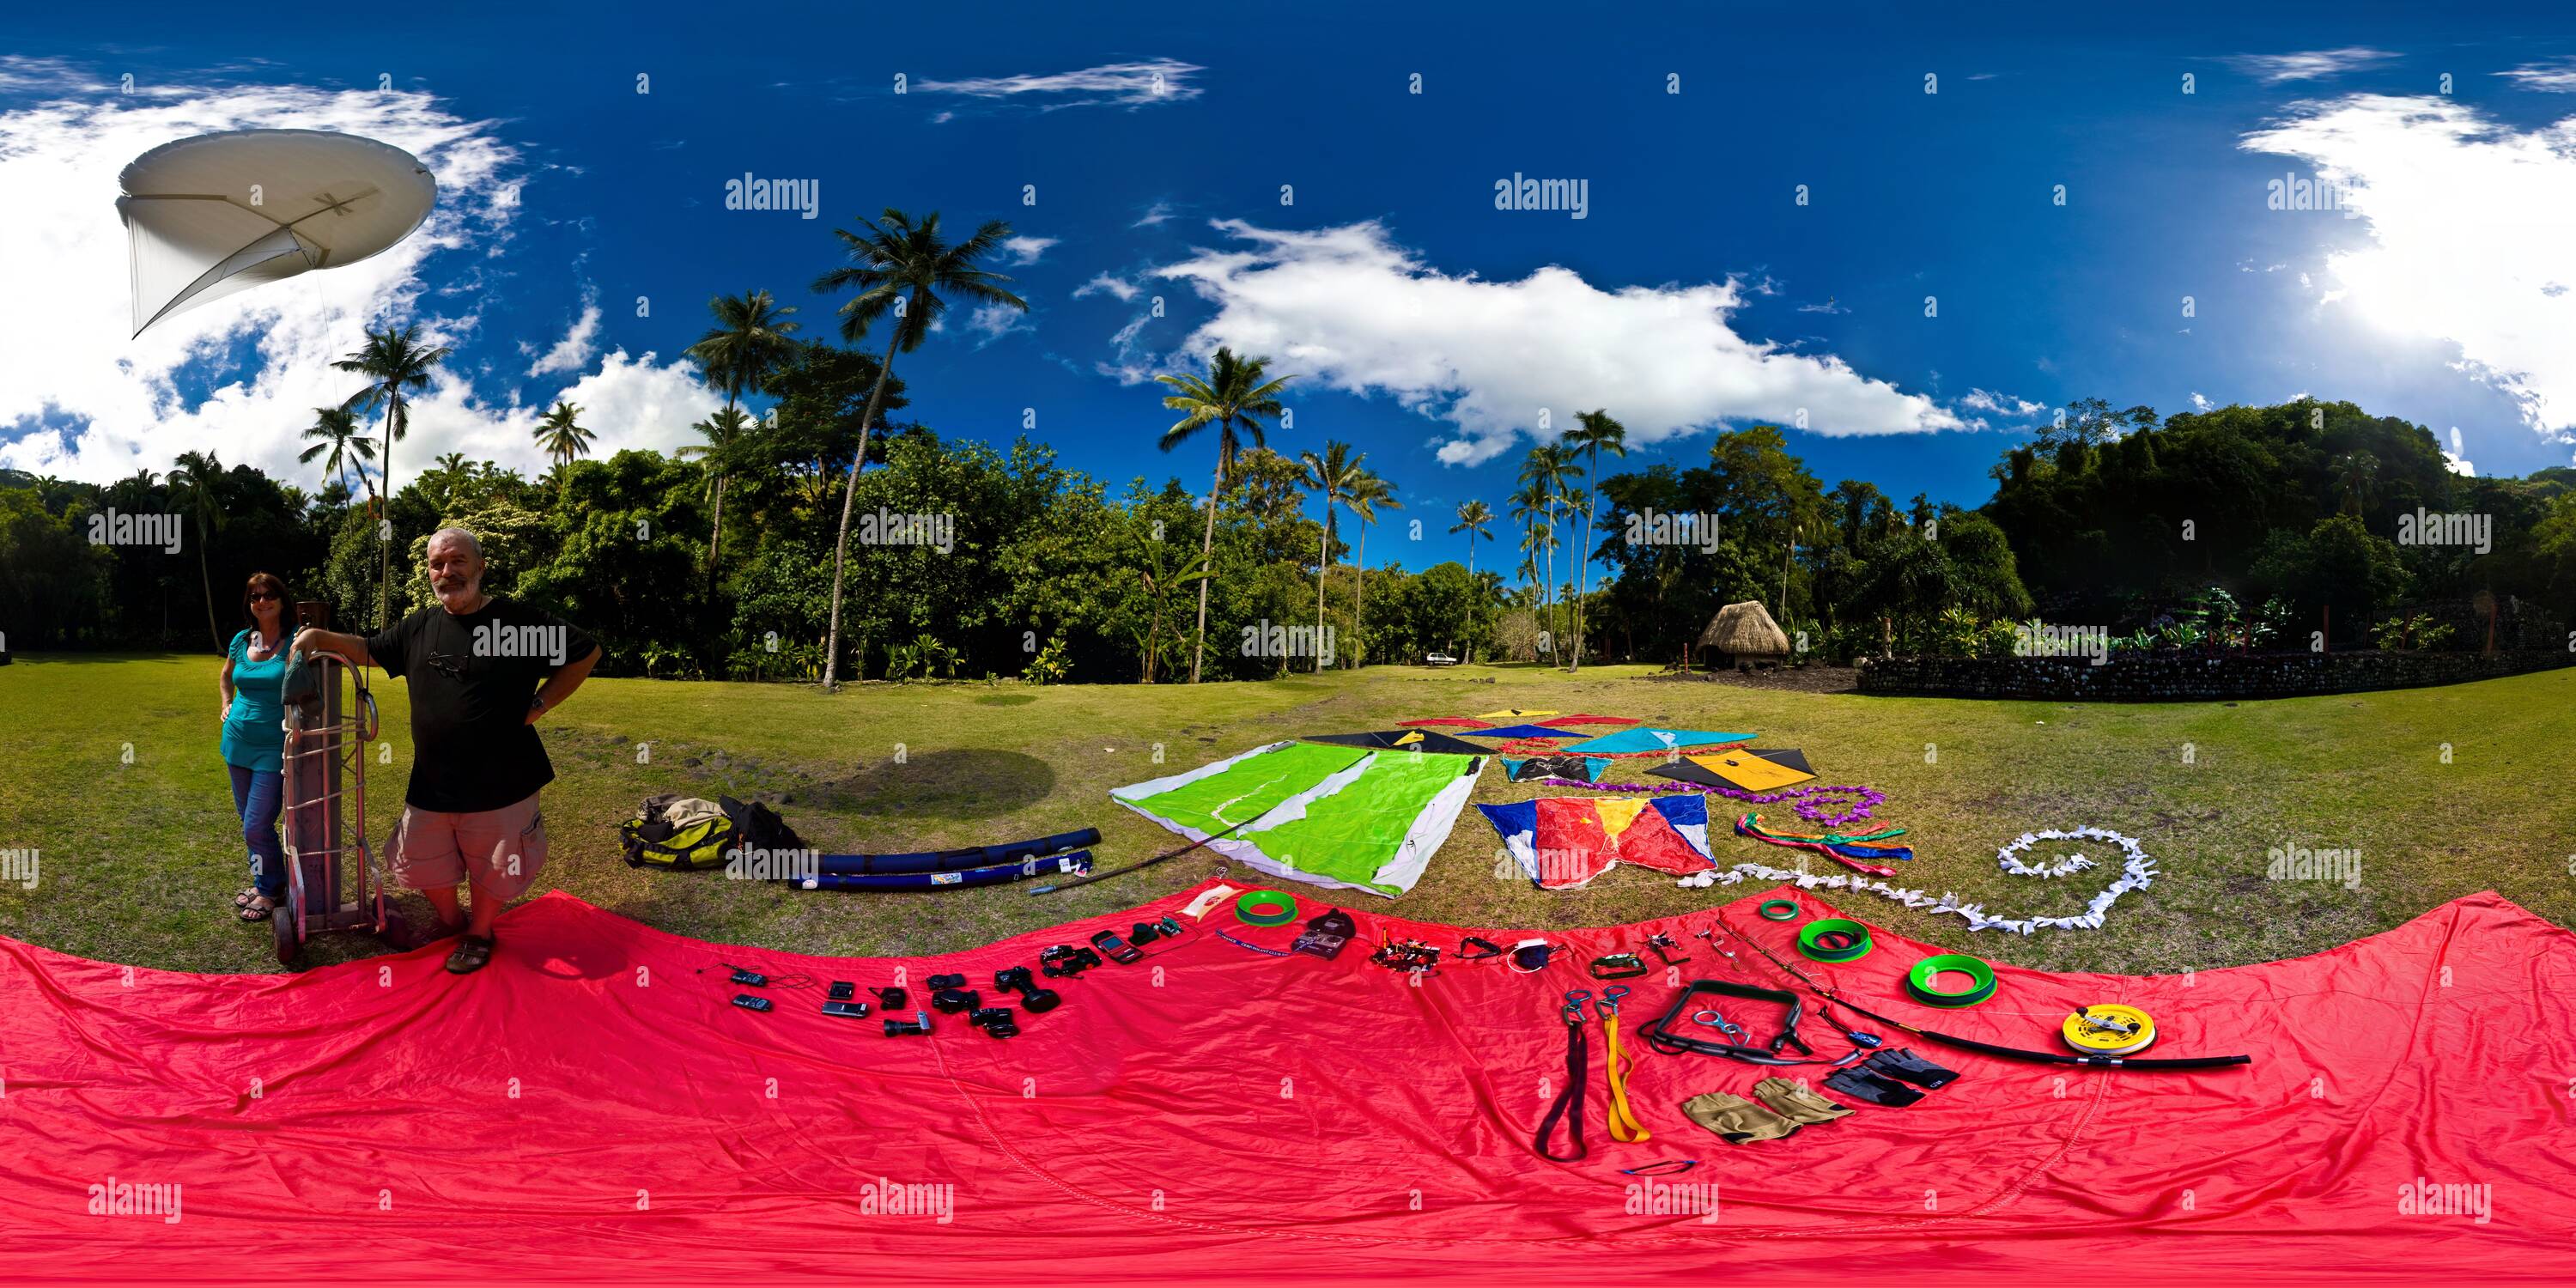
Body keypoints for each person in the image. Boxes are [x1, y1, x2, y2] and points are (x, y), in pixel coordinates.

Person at [295, 527, 598, 974]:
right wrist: (322, 637)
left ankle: (480, 933)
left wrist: (541, 702)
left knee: (495, 864)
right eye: (438, 564)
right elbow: (371, 651)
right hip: (433, 780)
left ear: (479, 567)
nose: (447, 572)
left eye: (458, 561)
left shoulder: (517, 625)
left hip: (504, 779)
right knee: (416, 860)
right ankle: (454, 921)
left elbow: (586, 652)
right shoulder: (420, 626)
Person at [219, 572, 293, 922]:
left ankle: (269, 888)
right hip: (236, 742)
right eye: (254, 597)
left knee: (255, 823)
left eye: (268, 595)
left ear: (281, 600)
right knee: (249, 821)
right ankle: (267, 881)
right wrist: (225, 702)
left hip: (273, 746)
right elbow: (225, 676)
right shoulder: (240, 639)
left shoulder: (296, 640)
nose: (261, 601)